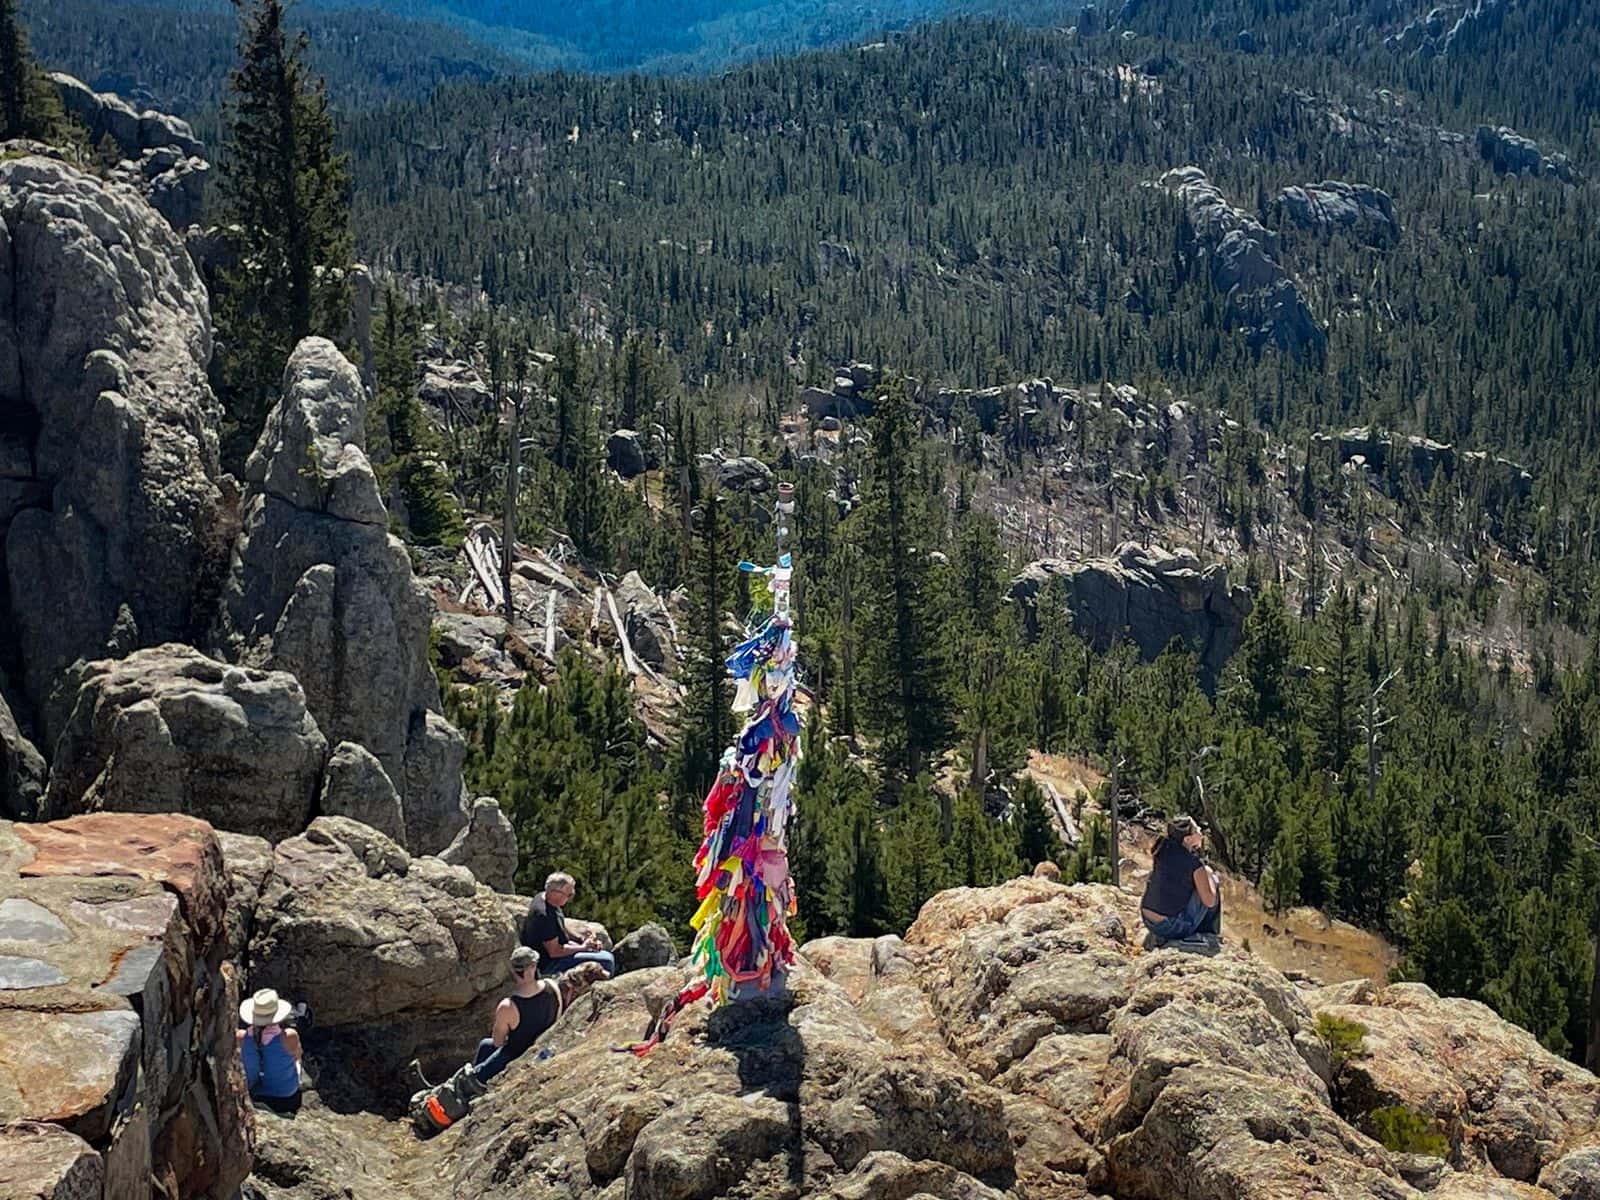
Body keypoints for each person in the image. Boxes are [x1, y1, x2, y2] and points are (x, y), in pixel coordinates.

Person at [470, 946, 562, 1083]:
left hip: (516, 1056)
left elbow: (498, 1042)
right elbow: (558, 1018)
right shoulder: (552, 985)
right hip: (543, 1046)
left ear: (513, 970)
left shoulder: (508, 1006)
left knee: (473, 1078)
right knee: (484, 1045)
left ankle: (471, 1085)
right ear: (534, 966)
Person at [1140, 815, 1222, 949]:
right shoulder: (1193, 863)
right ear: (1188, 839)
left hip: (1148, 919)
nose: (1200, 831)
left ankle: (1160, 936)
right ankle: (1206, 934)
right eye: (1196, 830)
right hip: (1171, 927)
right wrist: (1211, 875)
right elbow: (1209, 901)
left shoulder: (1162, 849)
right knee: (1211, 883)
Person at [522, 872, 615, 978]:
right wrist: (583, 947)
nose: (571, 897)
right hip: (549, 964)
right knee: (606, 961)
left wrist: (581, 939)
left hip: (560, 951)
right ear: (555, 893)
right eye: (569, 894)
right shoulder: (544, 916)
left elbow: (560, 924)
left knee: (604, 955)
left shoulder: (547, 900)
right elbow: (554, 951)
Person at [237, 988, 303, 1115]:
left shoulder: (240, 1037)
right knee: (296, 1062)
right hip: (285, 1098)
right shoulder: (289, 1036)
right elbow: (297, 1055)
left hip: (254, 1094)